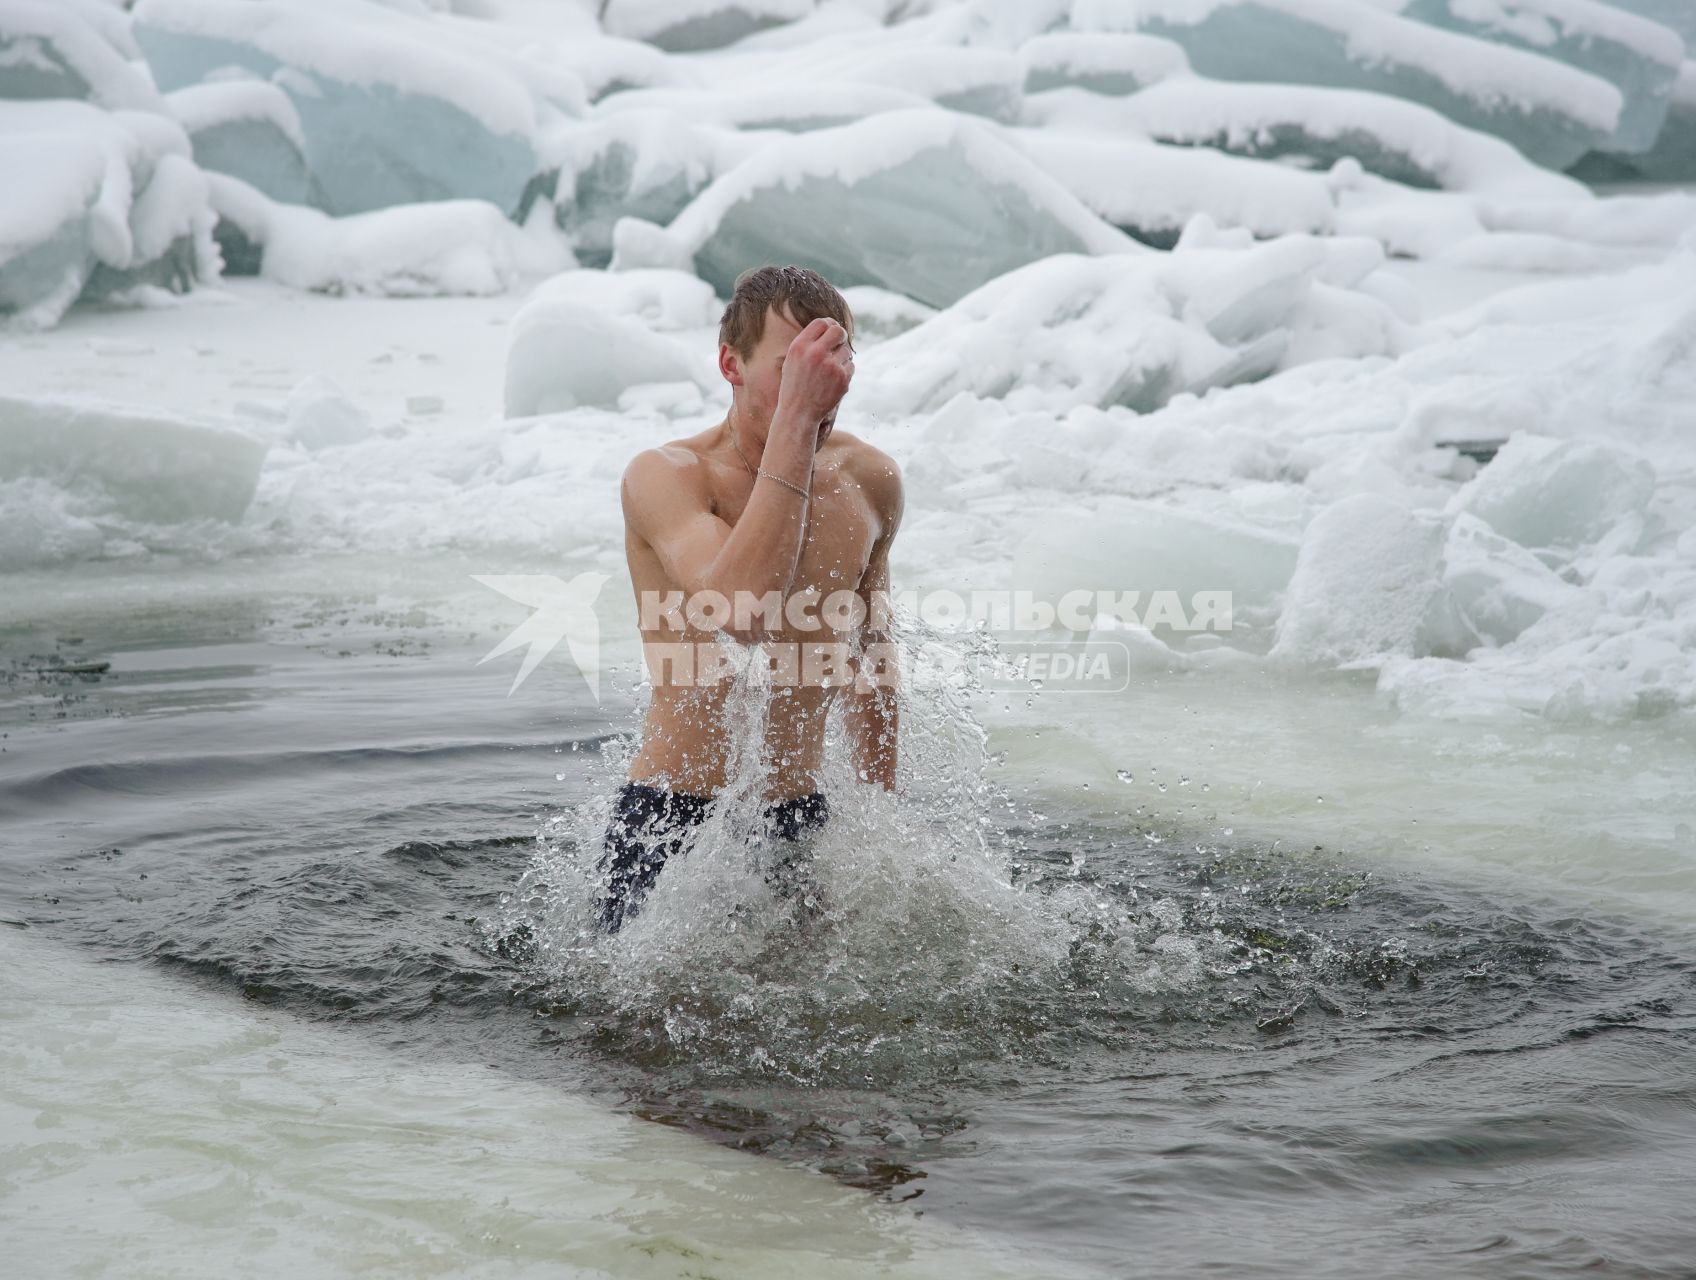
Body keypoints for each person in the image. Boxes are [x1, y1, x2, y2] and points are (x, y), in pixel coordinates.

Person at [595, 265, 904, 932]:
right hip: (673, 814)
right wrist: (797, 419)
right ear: (730, 364)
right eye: (792, 368)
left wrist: (882, 824)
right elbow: (740, 611)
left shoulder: (869, 481)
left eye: (828, 361)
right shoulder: (669, 476)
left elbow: (873, 661)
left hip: (797, 819)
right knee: (634, 1033)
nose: (817, 387)